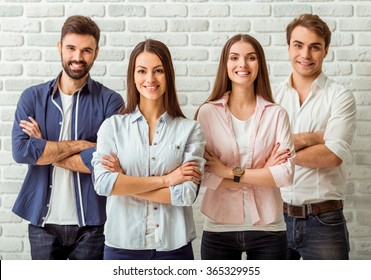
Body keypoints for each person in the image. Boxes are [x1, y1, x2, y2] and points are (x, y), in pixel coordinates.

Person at [11, 15, 124, 260]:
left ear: (96, 53)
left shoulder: (110, 102)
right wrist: (82, 145)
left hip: (92, 224)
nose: (77, 57)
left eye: (86, 50)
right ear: (60, 47)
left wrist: (44, 148)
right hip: (42, 222)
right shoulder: (32, 98)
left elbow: (107, 161)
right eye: (71, 48)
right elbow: (21, 152)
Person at [91, 39, 206, 260]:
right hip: (121, 247)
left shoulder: (191, 130)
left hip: (174, 248)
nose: (150, 79)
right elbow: (104, 184)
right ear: (133, 77)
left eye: (158, 71)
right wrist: (166, 181)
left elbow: (185, 194)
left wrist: (123, 182)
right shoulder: (112, 127)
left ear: (168, 75)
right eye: (142, 71)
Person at [196, 34, 295, 260]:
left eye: (250, 57)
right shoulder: (207, 113)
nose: (242, 64)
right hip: (219, 228)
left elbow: (285, 175)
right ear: (225, 64)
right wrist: (265, 172)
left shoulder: (277, 114)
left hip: (268, 228)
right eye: (234, 58)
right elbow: (204, 175)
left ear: (259, 63)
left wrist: (228, 172)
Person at [273, 14, 356, 260]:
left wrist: (280, 151)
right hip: (275, 219)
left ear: (326, 50)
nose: (305, 55)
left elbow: (332, 156)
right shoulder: (271, 96)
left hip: (324, 221)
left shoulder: (340, 97)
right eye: (298, 45)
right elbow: (261, 152)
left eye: (314, 47)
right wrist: (313, 138)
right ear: (288, 47)